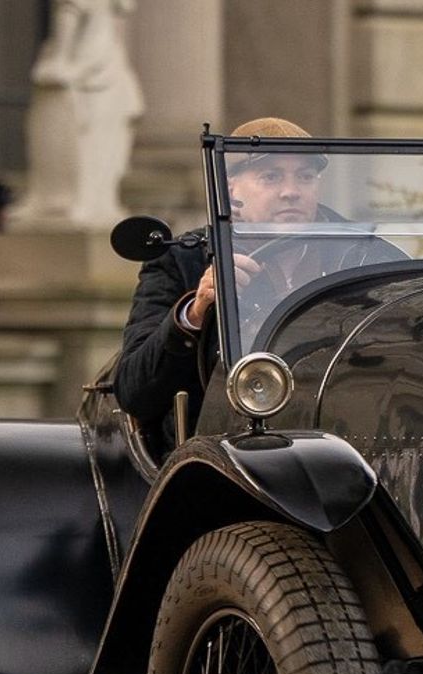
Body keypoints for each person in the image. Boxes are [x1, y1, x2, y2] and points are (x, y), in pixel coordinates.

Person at [113, 117, 401, 450]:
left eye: (305, 177)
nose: (291, 191)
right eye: (271, 177)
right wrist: (195, 311)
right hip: (222, 453)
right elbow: (134, 392)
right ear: (230, 187)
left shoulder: (370, 257)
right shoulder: (185, 260)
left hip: (347, 445)